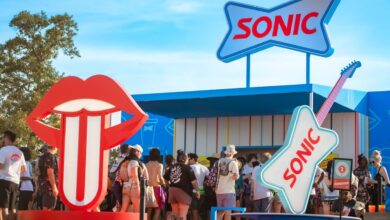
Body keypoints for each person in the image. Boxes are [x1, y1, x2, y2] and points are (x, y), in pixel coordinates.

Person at [164, 150, 200, 220]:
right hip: (183, 193)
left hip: (172, 192)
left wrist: (169, 186)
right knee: (182, 215)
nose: (188, 160)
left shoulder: (172, 167)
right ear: (185, 159)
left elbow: (165, 178)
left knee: (175, 215)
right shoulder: (187, 168)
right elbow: (194, 182)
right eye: (188, 159)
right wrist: (198, 191)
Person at [0, 130, 26, 220]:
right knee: (13, 208)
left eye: (3, 138)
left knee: (4, 207)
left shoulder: (3, 150)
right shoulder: (20, 152)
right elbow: (23, 169)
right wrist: (14, 169)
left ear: (7, 138)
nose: (2, 140)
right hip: (15, 181)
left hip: (4, 180)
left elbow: (1, 165)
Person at [119, 144, 148, 213]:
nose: (141, 155)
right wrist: (138, 189)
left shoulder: (124, 162)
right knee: (138, 211)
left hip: (125, 187)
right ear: (137, 152)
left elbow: (122, 177)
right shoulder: (134, 162)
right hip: (134, 188)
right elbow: (134, 175)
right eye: (140, 153)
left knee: (123, 210)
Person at [215, 145, 239, 220]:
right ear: (233, 153)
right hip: (229, 190)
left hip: (219, 190)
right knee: (228, 212)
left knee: (221, 212)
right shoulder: (233, 162)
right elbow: (236, 176)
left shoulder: (219, 161)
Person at [146, 148, 166, 220]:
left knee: (149, 210)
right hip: (157, 188)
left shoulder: (146, 165)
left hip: (148, 188)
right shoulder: (159, 165)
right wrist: (164, 184)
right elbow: (160, 177)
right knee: (157, 210)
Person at [188, 153, 209, 220]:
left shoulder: (190, 167)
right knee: (197, 211)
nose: (187, 161)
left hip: (193, 191)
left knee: (194, 211)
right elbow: (210, 179)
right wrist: (203, 182)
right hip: (202, 190)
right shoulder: (204, 167)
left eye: (189, 159)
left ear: (193, 159)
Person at [37, 145, 58, 210]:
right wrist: (54, 187)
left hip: (42, 185)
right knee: (49, 208)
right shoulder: (51, 157)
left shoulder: (41, 157)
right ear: (55, 147)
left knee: (45, 206)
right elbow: (50, 172)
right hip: (49, 185)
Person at [110, 143, 129, 211]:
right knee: (120, 207)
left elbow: (111, 171)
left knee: (117, 206)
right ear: (128, 150)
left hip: (115, 185)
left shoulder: (117, 159)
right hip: (122, 186)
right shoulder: (127, 159)